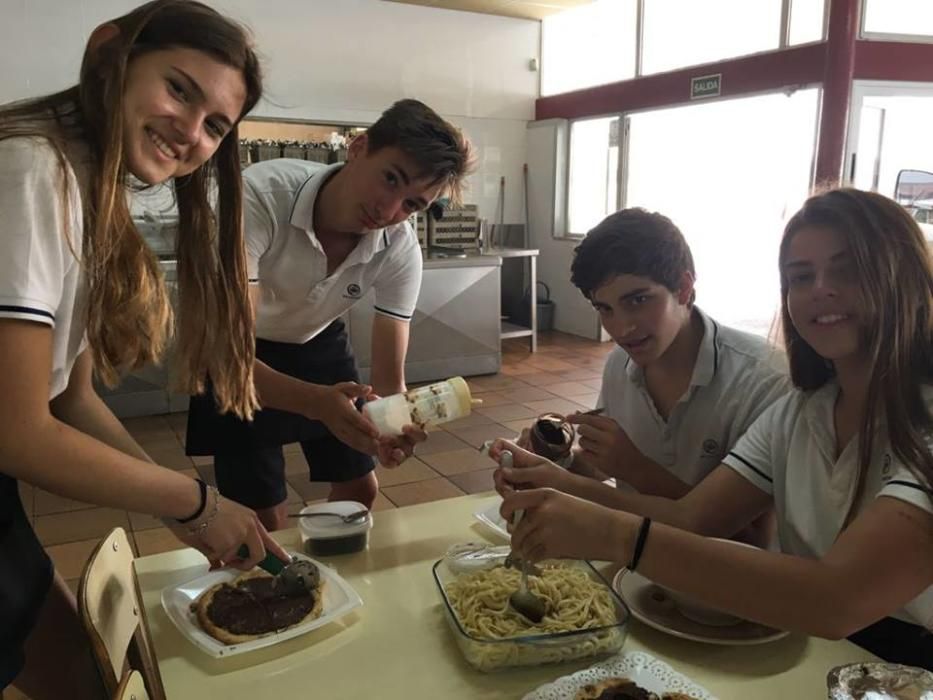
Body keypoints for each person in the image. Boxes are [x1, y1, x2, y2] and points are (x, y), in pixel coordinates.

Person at [493, 188, 933, 668]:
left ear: (904, 278)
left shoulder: (783, 386)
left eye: (847, 270)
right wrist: (554, 484)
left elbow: (836, 600)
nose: (819, 290)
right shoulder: (800, 412)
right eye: (800, 277)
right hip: (804, 639)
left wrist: (614, 533)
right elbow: (692, 520)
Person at [0, 2, 288, 696]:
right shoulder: (30, 168)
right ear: (111, 54)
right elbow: (17, 431)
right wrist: (194, 502)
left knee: (82, 674)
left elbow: (69, 397)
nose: (190, 132)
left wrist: (182, 507)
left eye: (215, 125)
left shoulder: (81, 180)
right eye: (179, 90)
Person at [185, 98, 475, 530]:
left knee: (359, 491)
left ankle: (324, 565)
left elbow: (389, 378)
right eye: (390, 178)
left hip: (315, 339)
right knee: (260, 513)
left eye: (412, 204)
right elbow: (230, 358)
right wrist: (315, 403)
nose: (388, 211)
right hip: (237, 346)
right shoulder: (257, 198)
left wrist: (394, 425)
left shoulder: (398, 247)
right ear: (358, 148)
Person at [518, 209, 788, 543]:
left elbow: (753, 539)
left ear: (684, 288)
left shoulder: (763, 381)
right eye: (605, 309)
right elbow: (604, 464)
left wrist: (637, 470)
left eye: (638, 300)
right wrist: (553, 460)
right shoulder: (620, 364)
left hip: (712, 573)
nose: (622, 329)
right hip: (628, 560)